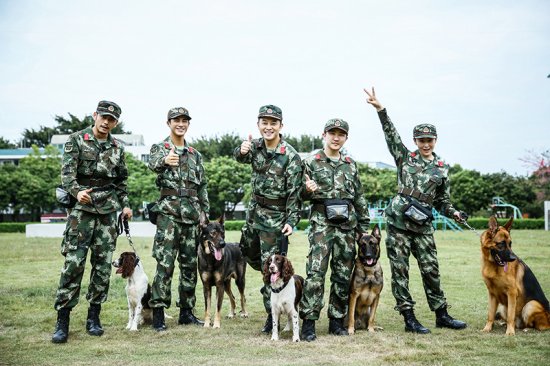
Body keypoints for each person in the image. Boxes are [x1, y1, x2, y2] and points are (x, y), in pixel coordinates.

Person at [364, 87, 467, 333]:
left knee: (431, 270)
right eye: (421, 140)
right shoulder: (405, 158)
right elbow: (391, 135)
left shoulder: (442, 168)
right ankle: (409, 318)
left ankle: (441, 314)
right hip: (399, 224)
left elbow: (443, 200)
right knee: (400, 272)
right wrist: (381, 110)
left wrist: (453, 213)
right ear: (415, 141)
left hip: (422, 227)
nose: (426, 144)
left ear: (435, 140)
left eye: (429, 140)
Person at [52, 100, 133, 343]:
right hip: (81, 212)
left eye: (112, 119)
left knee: (102, 266)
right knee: (73, 264)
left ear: (116, 122)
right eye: (104, 117)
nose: (107, 122)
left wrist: (126, 204)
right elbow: (67, 174)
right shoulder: (76, 139)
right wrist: (77, 192)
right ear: (95, 115)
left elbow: (121, 181)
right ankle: (62, 320)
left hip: (108, 213)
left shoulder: (118, 147)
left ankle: (93, 318)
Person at [299, 118, 371, 341]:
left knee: (342, 275)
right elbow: (298, 196)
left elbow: (358, 196)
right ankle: (309, 323)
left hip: (347, 227)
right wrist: (306, 190)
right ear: (324, 135)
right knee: (316, 273)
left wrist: (364, 226)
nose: (336, 137)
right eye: (332, 133)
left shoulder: (350, 163)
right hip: (322, 226)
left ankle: (336, 321)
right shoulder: (311, 162)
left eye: (341, 134)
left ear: (346, 138)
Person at [234, 105, 303, 334]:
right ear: (258, 125)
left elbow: (295, 193)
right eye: (264, 122)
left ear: (281, 126)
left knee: (269, 267)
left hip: (274, 220)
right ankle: (273, 303)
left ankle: (270, 315)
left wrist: (292, 220)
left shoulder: (291, 156)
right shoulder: (255, 147)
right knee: (247, 253)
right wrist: (242, 150)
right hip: (254, 215)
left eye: (273, 123)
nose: (269, 127)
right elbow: (239, 157)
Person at [147, 107, 209, 331]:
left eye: (184, 120)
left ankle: (186, 311)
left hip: (192, 217)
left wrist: (205, 214)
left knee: (190, 266)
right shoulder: (160, 148)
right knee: (165, 265)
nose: (181, 124)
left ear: (188, 124)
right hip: (169, 217)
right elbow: (152, 164)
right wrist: (165, 160)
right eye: (176, 120)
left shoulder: (195, 154)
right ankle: (158, 315)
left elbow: (202, 187)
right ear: (168, 123)